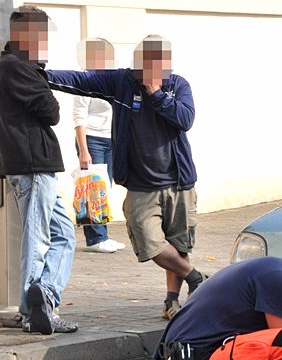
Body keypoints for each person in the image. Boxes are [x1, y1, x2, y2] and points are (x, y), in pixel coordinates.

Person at [47, 35, 205, 320]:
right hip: (142, 185)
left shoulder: (177, 85)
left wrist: (157, 94)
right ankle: (195, 277)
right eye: (145, 62)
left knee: (178, 245)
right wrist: (42, 75)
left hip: (180, 182)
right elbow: (81, 80)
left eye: (158, 63)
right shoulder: (122, 82)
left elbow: (186, 119)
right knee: (150, 243)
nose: (151, 68)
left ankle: (171, 301)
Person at [0, 6, 78, 335]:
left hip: (35, 165)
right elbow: (51, 111)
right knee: (39, 239)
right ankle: (36, 312)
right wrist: (42, 81)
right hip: (31, 165)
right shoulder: (15, 67)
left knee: (64, 233)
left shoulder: (18, 66)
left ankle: (42, 295)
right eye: (40, 34)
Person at [72, 37, 125, 254]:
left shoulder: (111, 79)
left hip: (110, 140)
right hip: (92, 140)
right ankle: (96, 239)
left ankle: (102, 235)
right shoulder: (84, 80)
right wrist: (84, 151)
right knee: (93, 189)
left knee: (105, 188)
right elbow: (78, 118)